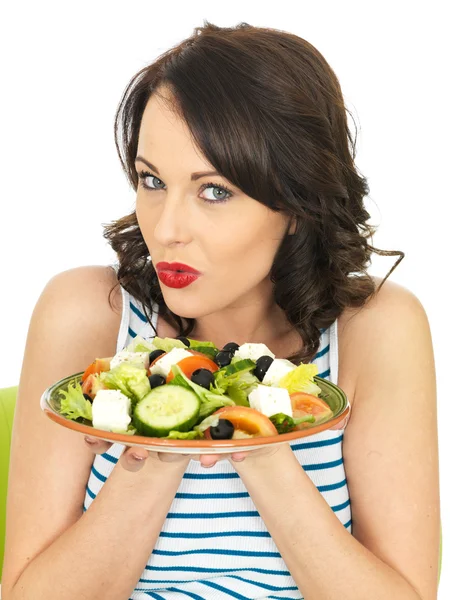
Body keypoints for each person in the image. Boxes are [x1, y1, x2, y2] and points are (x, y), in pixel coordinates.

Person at [2, 20, 440, 600]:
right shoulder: (87, 314)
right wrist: (159, 442)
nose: (166, 229)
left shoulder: (376, 329)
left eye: (214, 191)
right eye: (151, 180)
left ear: (296, 201)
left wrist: (252, 434)